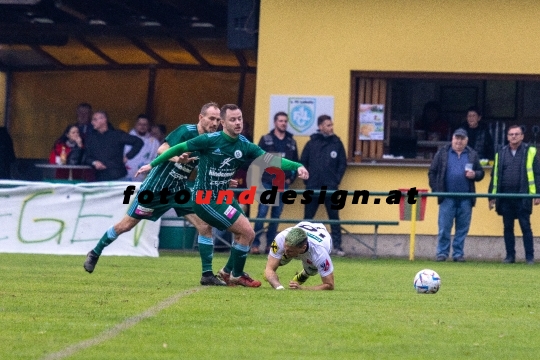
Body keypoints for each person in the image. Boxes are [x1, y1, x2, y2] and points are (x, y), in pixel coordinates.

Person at [135, 104, 309, 287]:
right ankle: (237, 275)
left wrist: (297, 166)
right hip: (204, 199)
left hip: (222, 197)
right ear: (223, 123)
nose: (237, 122)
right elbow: (176, 149)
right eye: (232, 119)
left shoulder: (244, 145)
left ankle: (227, 272)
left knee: (246, 236)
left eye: (240, 118)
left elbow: (270, 160)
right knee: (247, 231)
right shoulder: (209, 140)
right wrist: (152, 164)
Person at [84, 102, 228, 286]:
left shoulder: (210, 141)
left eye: (218, 120)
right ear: (201, 118)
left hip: (178, 190)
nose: (215, 123)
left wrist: (222, 178)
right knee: (125, 226)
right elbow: (162, 149)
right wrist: (178, 157)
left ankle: (207, 275)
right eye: (211, 118)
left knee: (205, 226)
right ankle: (95, 252)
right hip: (155, 188)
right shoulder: (186, 131)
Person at [428, 128, 484, 262]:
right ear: (452, 139)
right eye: (456, 138)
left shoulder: (472, 154)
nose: (459, 141)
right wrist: (437, 190)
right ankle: (442, 253)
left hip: (466, 198)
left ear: (466, 140)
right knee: (444, 228)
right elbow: (432, 173)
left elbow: (481, 173)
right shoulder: (442, 153)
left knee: (462, 229)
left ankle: (458, 254)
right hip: (447, 197)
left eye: (462, 138)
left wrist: (475, 174)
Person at [488, 125, 540, 265]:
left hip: (523, 196)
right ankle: (510, 256)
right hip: (505, 198)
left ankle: (530, 257)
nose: (514, 136)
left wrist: (537, 194)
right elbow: (495, 176)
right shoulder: (501, 153)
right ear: (507, 137)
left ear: (522, 136)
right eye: (511, 134)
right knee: (507, 228)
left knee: (526, 227)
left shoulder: (530, 151)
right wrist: (491, 196)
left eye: (517, 134)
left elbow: (536, 173)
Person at [251, 111, 299, 254]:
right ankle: (255, 244)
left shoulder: (291, 142)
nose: (283, 123)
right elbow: (257, 159)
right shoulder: (265, 139)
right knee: (262, 212)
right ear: (275, 122)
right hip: (266, 181)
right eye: (280, 121)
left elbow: (295, 162)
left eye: (285, 121)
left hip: (282, 183)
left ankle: (270, 246)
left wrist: (292, 177)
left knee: (276, 215)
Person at [301, 114, 347, 256]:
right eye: (328, 125)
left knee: (334, 218)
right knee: (308, 219)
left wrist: (336, 180)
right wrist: (307, 181)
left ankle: (337, 246)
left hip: (330, 188)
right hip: (313, 187)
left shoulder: (337, 143)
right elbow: (303, 162)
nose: (331, 127)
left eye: (331, 124)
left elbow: (342, 164)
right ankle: (302, 247)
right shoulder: (311, 143)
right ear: (320, 126)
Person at [264, 222, 334, 290]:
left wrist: (302, 288)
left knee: (312, 270)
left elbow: (329, 285)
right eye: (285, 247)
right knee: (277, 261)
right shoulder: (281, 238)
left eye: (290, 251)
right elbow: (269, 269)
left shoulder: (320, 253)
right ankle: (284, 260)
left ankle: (305, 273)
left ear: (303, 248)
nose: (285, 252)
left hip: (321, 237)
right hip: (305, 226)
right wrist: (279, 287)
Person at [84, 111, 144, 181]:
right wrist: (94, 162)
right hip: (100, 177)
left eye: (95, 119)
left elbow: (138, 142)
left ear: (103, 120)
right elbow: (87, 157)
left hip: (118, 176)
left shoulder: (117, 135)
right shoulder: (91, 138)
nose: (92, 122)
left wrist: (128, 156)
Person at [124, 114, 160, 181]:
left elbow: (156, 158)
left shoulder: (154, 142)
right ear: (135, 125)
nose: (142, 126)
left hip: (144, 177)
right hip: (127, 175)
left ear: (148, 126)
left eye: (145, 124)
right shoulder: (126, 139)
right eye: (140, 124)